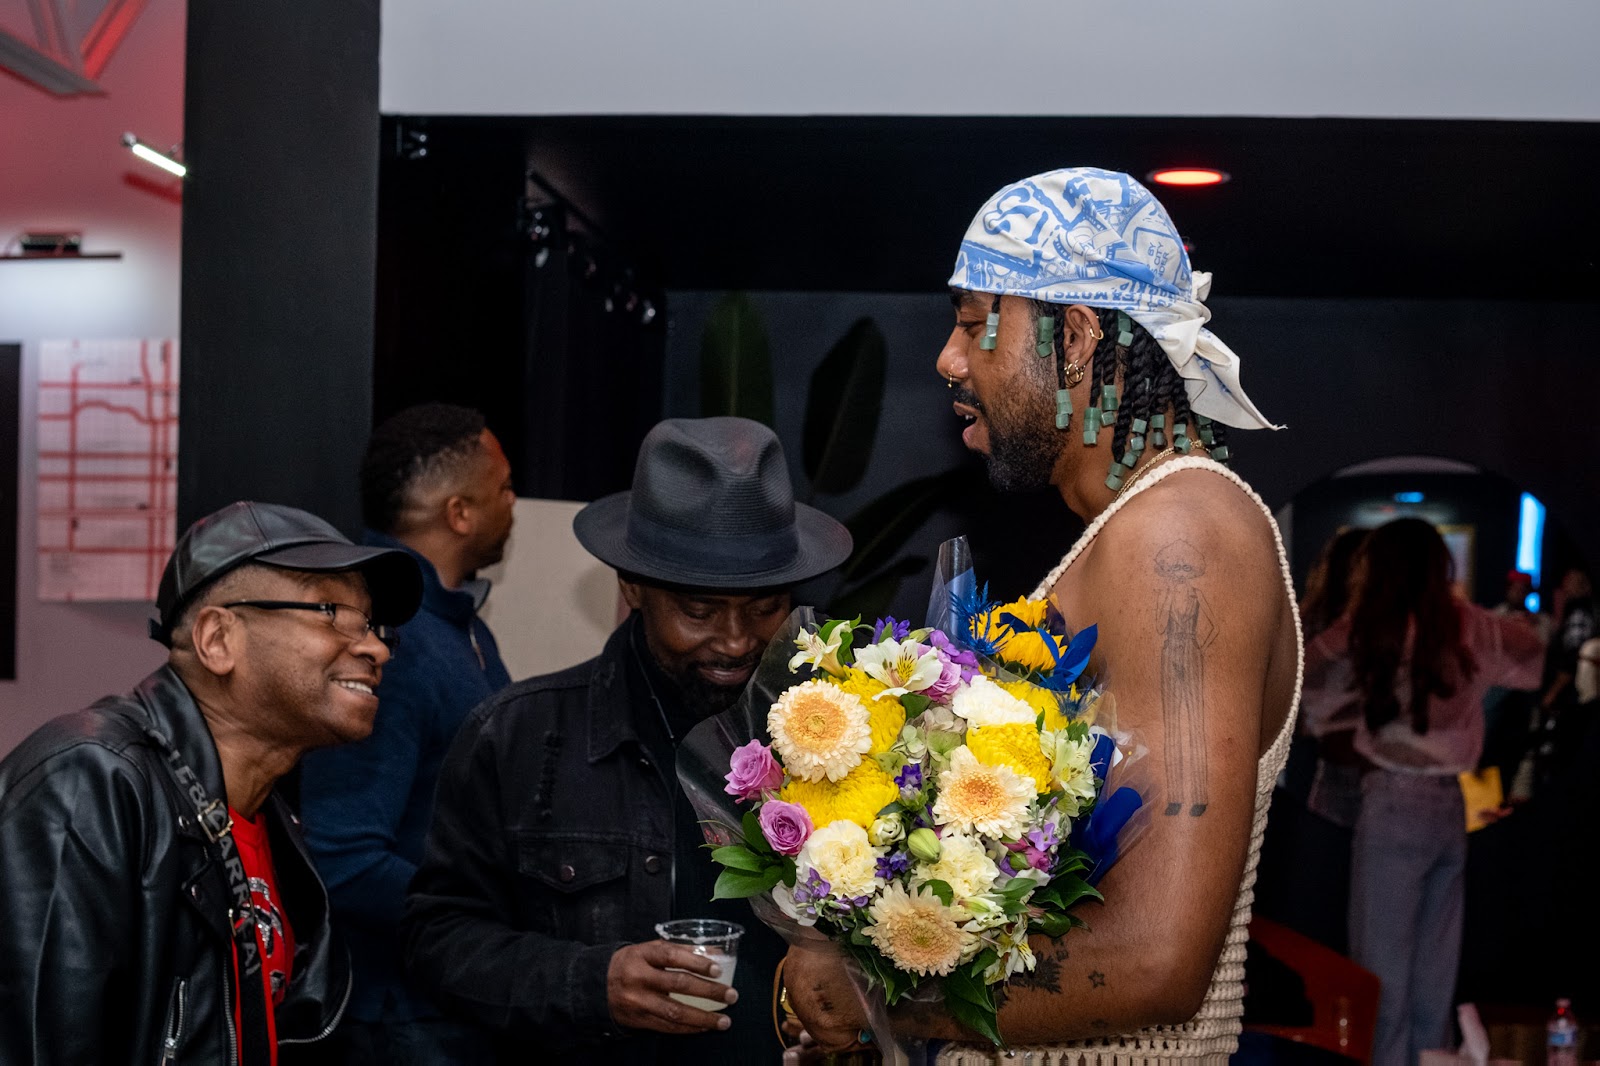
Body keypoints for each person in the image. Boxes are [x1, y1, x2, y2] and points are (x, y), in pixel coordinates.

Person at [783, 167, 1301, 1062]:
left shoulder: (1178, 538)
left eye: (977, 320)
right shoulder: (1133, 533)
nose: (949, 358)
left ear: (1077, 337)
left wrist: (880, 996)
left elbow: (1156, 963)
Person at [403, 417, 853, 1064]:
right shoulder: (520, 738)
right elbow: (437, 940)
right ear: (632, 587)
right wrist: (593, 983)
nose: (734, 640)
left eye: (764, 608)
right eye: (697, 611)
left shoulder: (846, 734)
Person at [0, 501, 423, 1065]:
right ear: (217, 639)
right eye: (329, 610)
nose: (375, 647)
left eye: (371, 624)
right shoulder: (89, 781)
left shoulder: (267, 815)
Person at [297, 404, 516, 1063]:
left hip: (450, 1001)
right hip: (400, 1017)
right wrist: (489, 918)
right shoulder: (386, 643)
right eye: (504, 487)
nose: (515, 503)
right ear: (459, 512)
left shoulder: (461, 628)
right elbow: (341, 858)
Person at [1305, 518, 1542, 1066]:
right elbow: (1531, 657)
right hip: (1450, 806)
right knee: (1435, 975)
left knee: (1380, 976)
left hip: (1390, 801)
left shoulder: (1368, 626)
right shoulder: (1467, 625)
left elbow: (1304, 680)